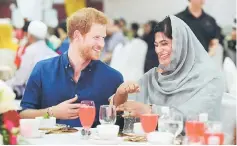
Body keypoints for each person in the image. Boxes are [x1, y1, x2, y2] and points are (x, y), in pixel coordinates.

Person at [19, 8, 123, 127]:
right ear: (77, 36)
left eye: (103, 38)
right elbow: (23, 115)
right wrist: (52, 112)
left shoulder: (113, 78)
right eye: (96, 37)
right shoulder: (43, 70)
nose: (102, 44)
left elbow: (119, 126)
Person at [113, 16, 224, 121]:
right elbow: (124, 112)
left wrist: (151, 111)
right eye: (156, 45)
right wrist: (121, 95)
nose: (158, 50)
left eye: (164, 43)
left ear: (181, 44)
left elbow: (197, 117)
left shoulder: (209, 79)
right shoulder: (153, 78)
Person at [6, 20, 58, 99]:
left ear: (29, 35)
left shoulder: (29, 51)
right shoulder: (53, 53)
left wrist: (6, 84)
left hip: (34, 97)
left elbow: (20, 79)